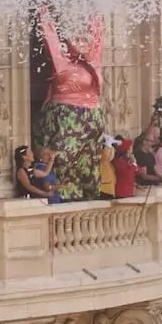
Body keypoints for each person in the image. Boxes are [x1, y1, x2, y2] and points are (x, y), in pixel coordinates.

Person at [34, 11, 105, 202]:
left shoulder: (93, 64)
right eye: (77, 39)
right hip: (67, 119)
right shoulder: (62, 64)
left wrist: (98, 8)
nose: (83, 42)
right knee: (65, 160)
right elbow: (50, 37)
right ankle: (65, 194)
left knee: (89, 166)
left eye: (85, 39)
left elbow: (98, 35)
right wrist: (43, 11)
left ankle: (86, 194)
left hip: (92, 121)